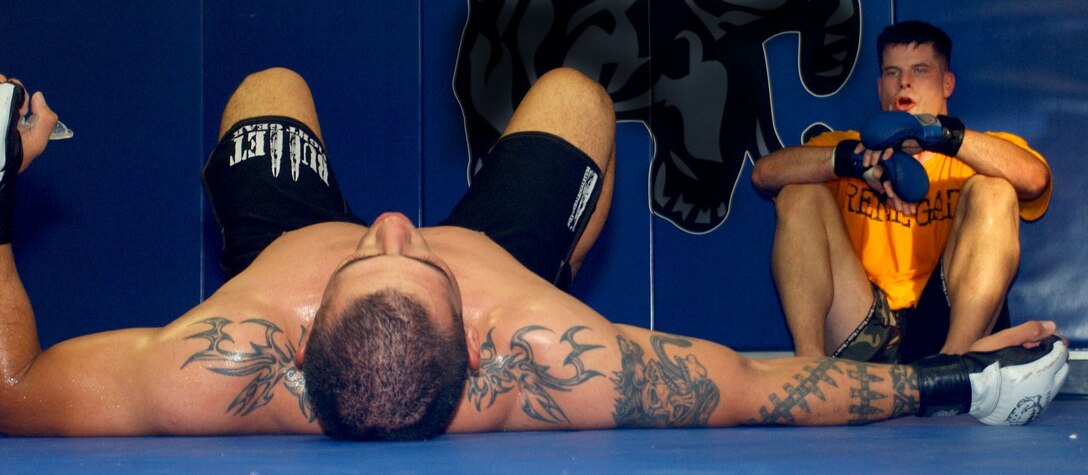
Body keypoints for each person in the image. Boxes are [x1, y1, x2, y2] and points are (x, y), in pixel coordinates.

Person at [0, 67, 1068, 441]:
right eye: (408, 254)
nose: (391, 225)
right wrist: (950, 383)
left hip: (277, 246)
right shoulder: (551, 351)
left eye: (363, 255)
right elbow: (751, 385)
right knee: (572, 98)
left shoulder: (218, 361)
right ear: (479, 338)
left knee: (268, 89)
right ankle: (535, 248)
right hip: (507, 262)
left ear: (296, 338)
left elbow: (13, 387)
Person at [751, 21, 1052, 364]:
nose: (904, 82)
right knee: (797, 195)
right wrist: (853, 160)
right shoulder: (848, 147)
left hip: (949, 326)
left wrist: (940, 135)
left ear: (947, 83)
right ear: (880, 88)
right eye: (892, 73)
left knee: (996, 190)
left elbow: (1035, 179)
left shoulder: (980, 153)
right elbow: (764, 175)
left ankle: (952, 369)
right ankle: (810, 368)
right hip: (865, 326)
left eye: (920, 70)